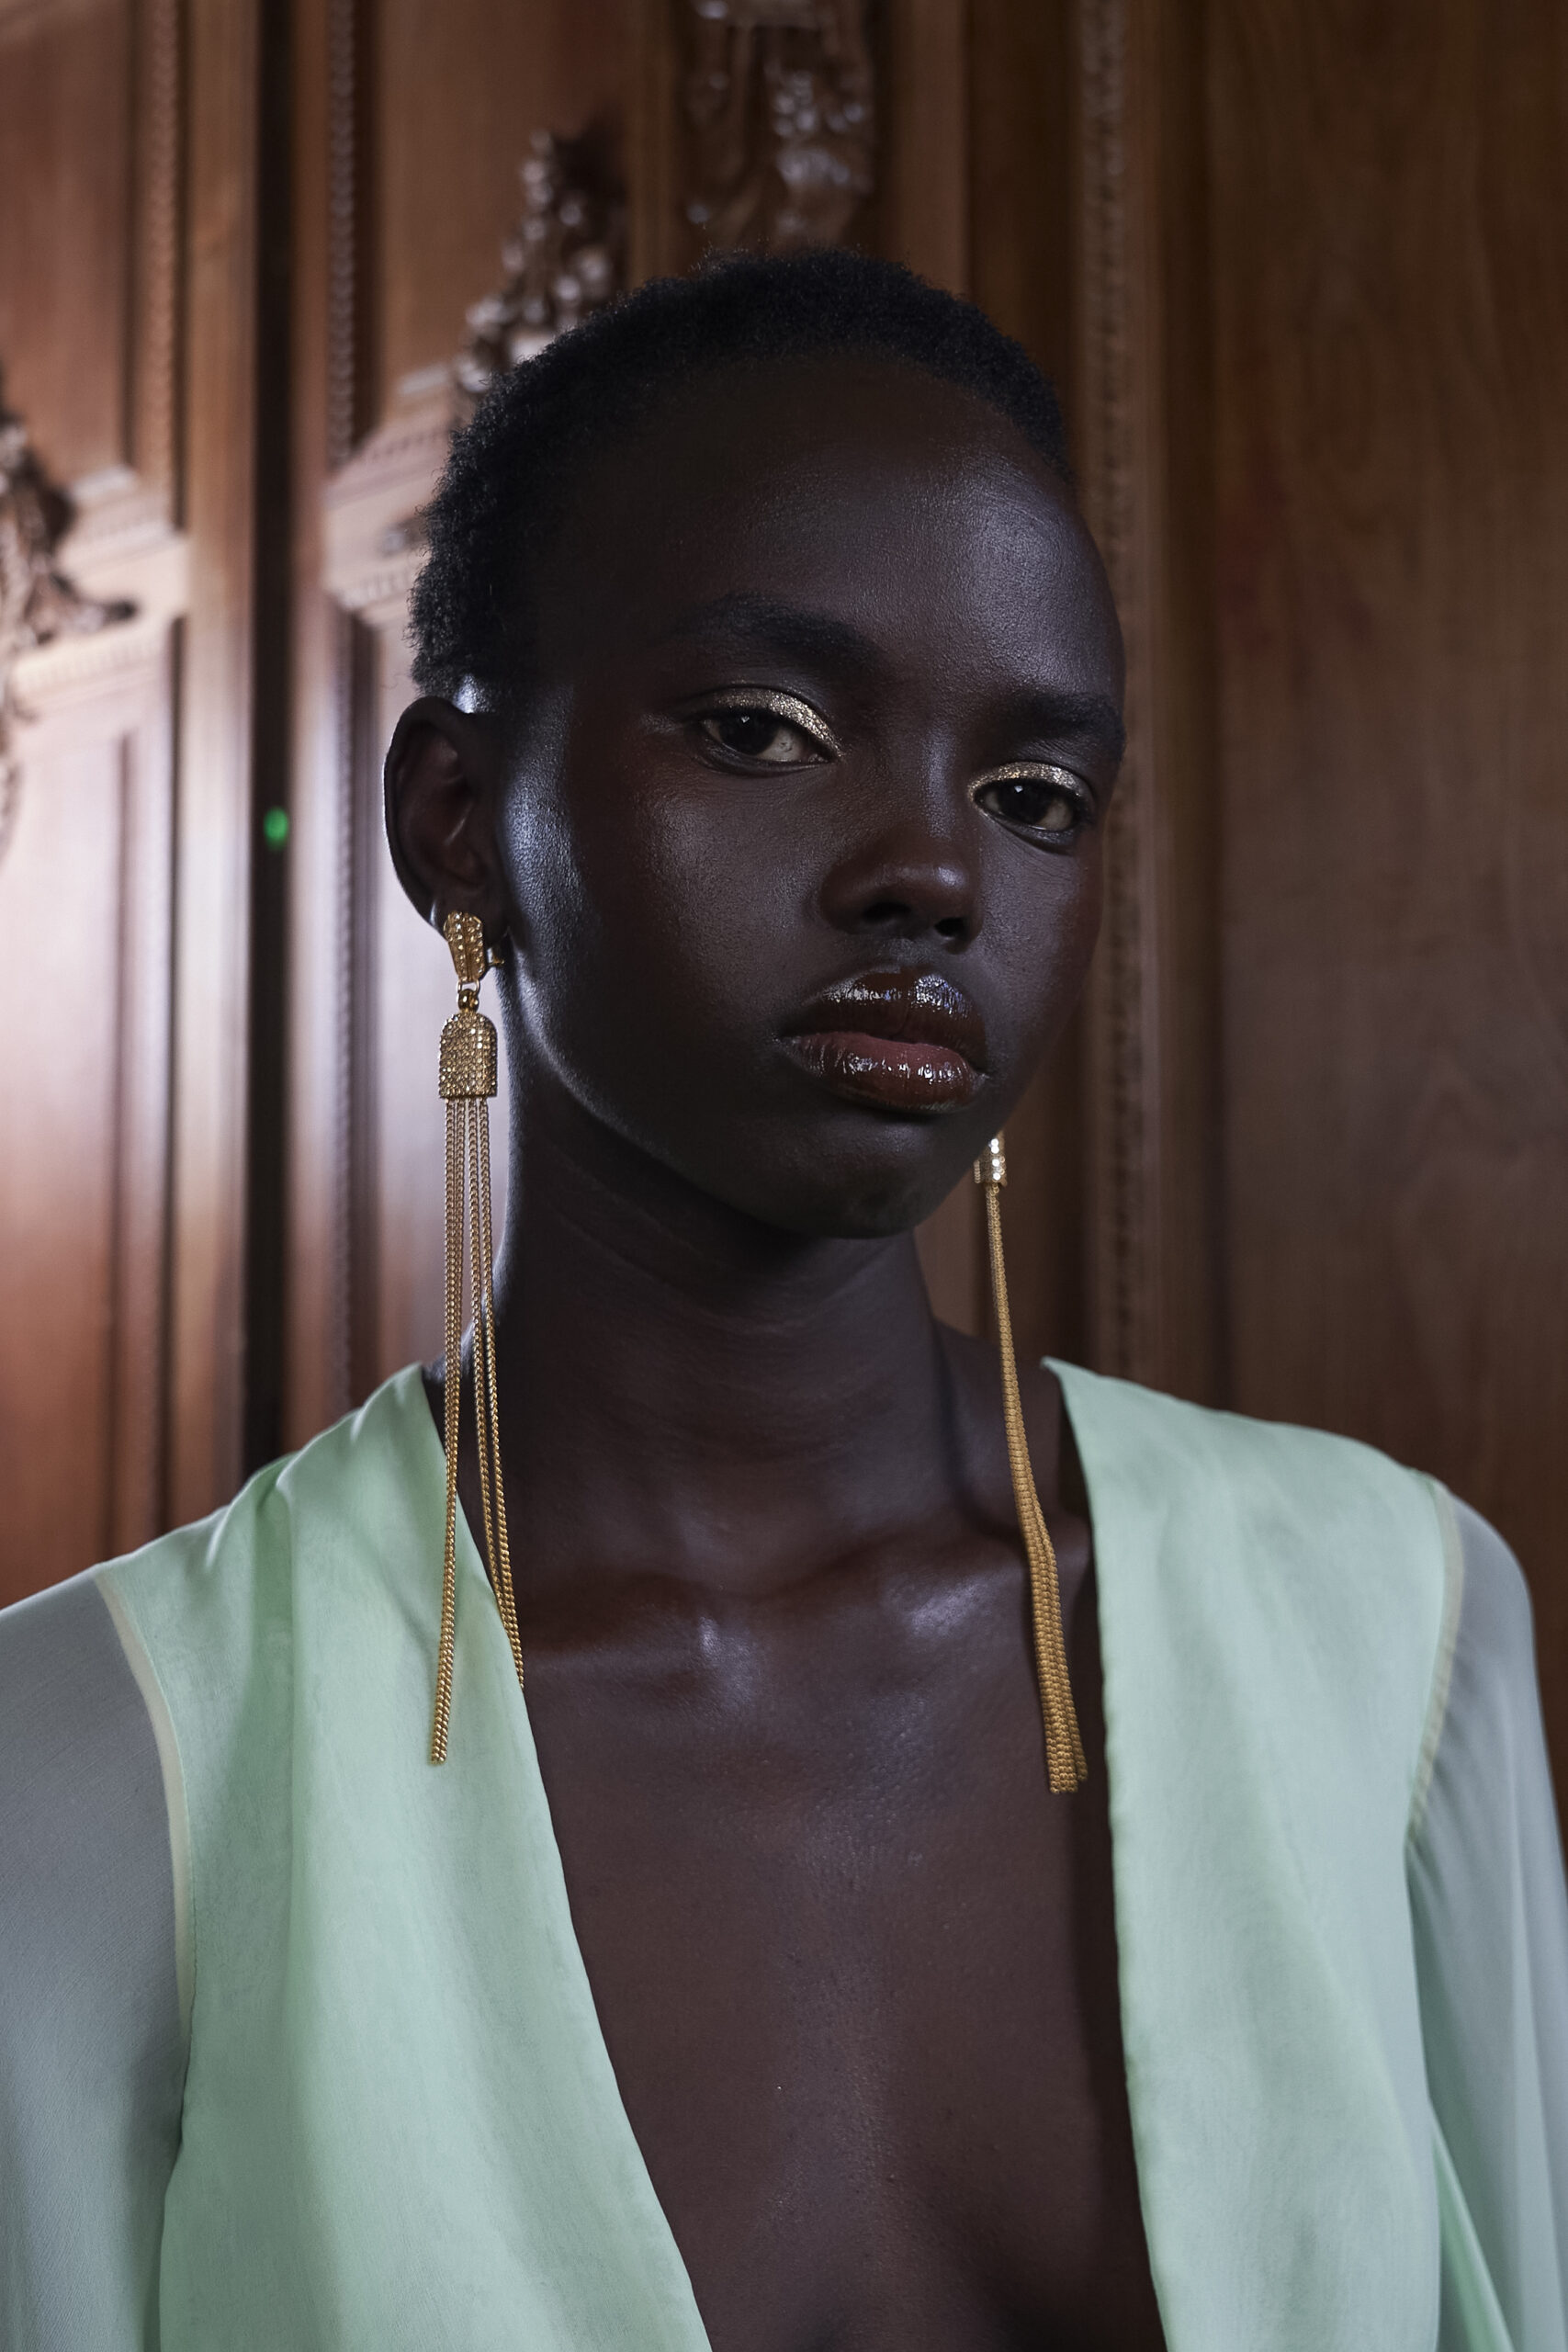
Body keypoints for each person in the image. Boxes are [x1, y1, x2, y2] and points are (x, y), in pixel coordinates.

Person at [2, 250, 1564, 2352]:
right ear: (454, 818)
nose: (933, 870)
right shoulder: (86, 1776)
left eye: (1032, 796)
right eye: (764, 730)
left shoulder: (1393, 1626)